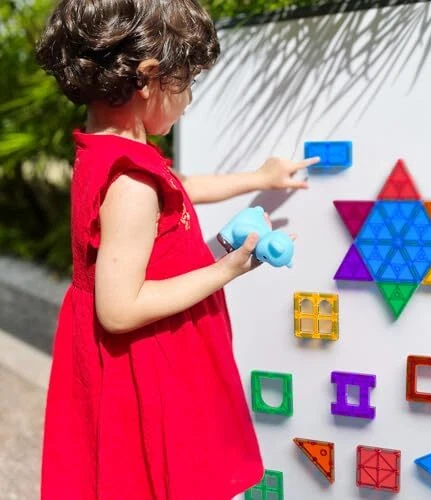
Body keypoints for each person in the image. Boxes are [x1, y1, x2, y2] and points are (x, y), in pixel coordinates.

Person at [36, 0, 318, 498]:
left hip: (136, 355)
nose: (188, 100)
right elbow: (119, 310)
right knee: (161, 476)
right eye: (186, 82)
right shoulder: (132, 184)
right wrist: (227, 269)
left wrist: (261, 178)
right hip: (149, 360)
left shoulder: (112, 153)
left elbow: (180, 186)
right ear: (149, 77)